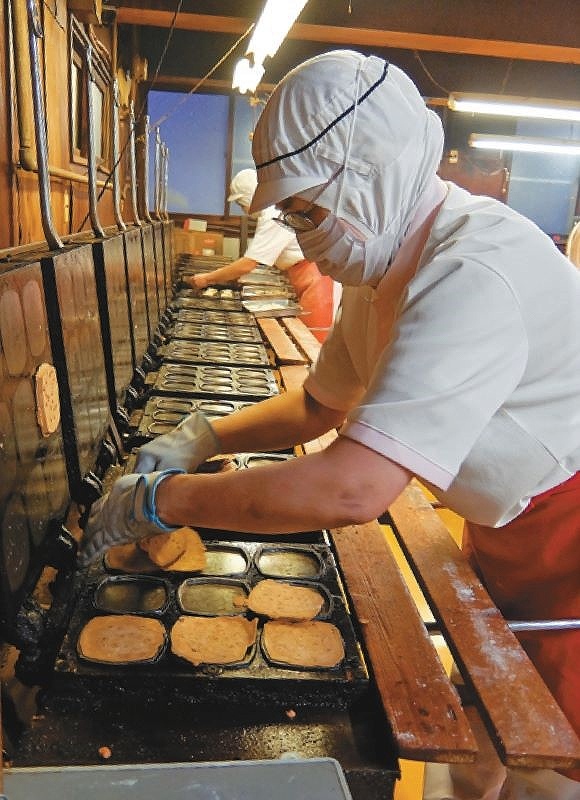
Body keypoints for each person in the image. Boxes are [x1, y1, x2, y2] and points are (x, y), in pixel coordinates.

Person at [83, 51, 580, 797]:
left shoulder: (473, 269)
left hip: (567, 537)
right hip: (508, 524)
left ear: (370, 174)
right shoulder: (381, 271)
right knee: (485, 731)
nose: (301, 233)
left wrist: (166, 501)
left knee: (553, 748)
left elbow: (353, 489)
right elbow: (320, 405)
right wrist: (203, 435)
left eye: (306, 212)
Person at [186, 167, 336, 343]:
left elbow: (248, 264)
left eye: (242, 204)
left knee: (310, 340)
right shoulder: (270, 213)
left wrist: (206, 279)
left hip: (315, 280)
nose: (244, 210)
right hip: (300, 275)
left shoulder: (273, 214)